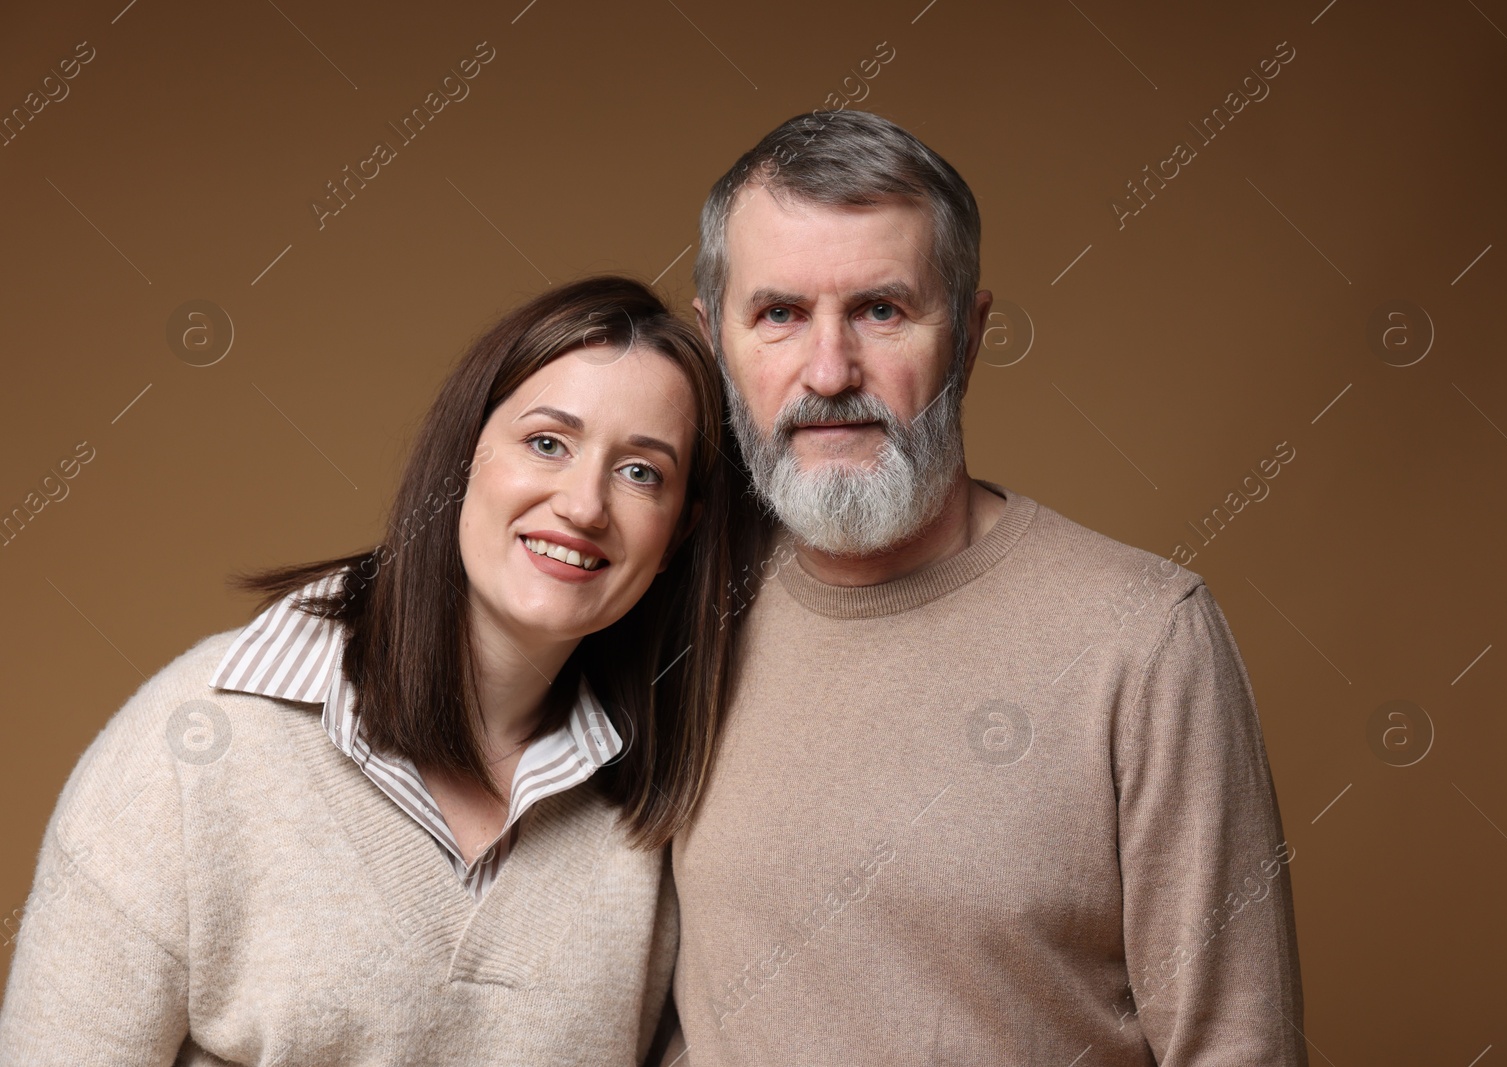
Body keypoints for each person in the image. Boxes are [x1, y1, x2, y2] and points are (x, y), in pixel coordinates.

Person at [664, 110, 1308, 1064]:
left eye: (881, 310)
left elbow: (1237, 1046)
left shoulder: (1142, 638)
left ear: (967, 334)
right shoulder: (676, 614)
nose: (831, 370)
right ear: (717, 338)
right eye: (781, 314)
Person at [0, 276, 750, 1066]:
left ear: (679, 533)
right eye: (547, 443)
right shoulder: (197, 742)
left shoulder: (663, 818)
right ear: (467, 455)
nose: (584, 505)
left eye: (642, 472)